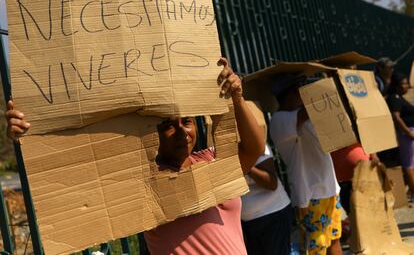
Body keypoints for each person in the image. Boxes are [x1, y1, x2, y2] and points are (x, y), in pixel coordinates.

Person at [6, 57, 265, 255]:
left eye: (186, 122)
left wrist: (237, 99)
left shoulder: (211, 160)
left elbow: (253, 149)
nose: (181, 132)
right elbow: (72, 180)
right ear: (151, 133)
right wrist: (30, 136)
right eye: (168, 126)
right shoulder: (142, 183)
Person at [269, 74, 343, 255]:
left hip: (330, 189)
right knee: (316, 248)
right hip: (311, 195)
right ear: (294, 92)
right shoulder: (279, 119)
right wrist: (326, 84)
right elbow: (309, 110)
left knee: (334, 239)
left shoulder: (304, 114)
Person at [241, 109, 292, 255]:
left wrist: (245, 165)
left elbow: (271, 183)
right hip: (249, 222)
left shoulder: (257, 146)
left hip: (273, 215)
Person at [387, 72, 414, 202]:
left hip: (409, 134)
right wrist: (408, 133)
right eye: (404, 83)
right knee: (409, 165)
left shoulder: (400, 97)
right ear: (396, 85)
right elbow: (396, 117)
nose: (407, 86)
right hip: (407, 135)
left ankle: (411, 191)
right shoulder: (395, 98)